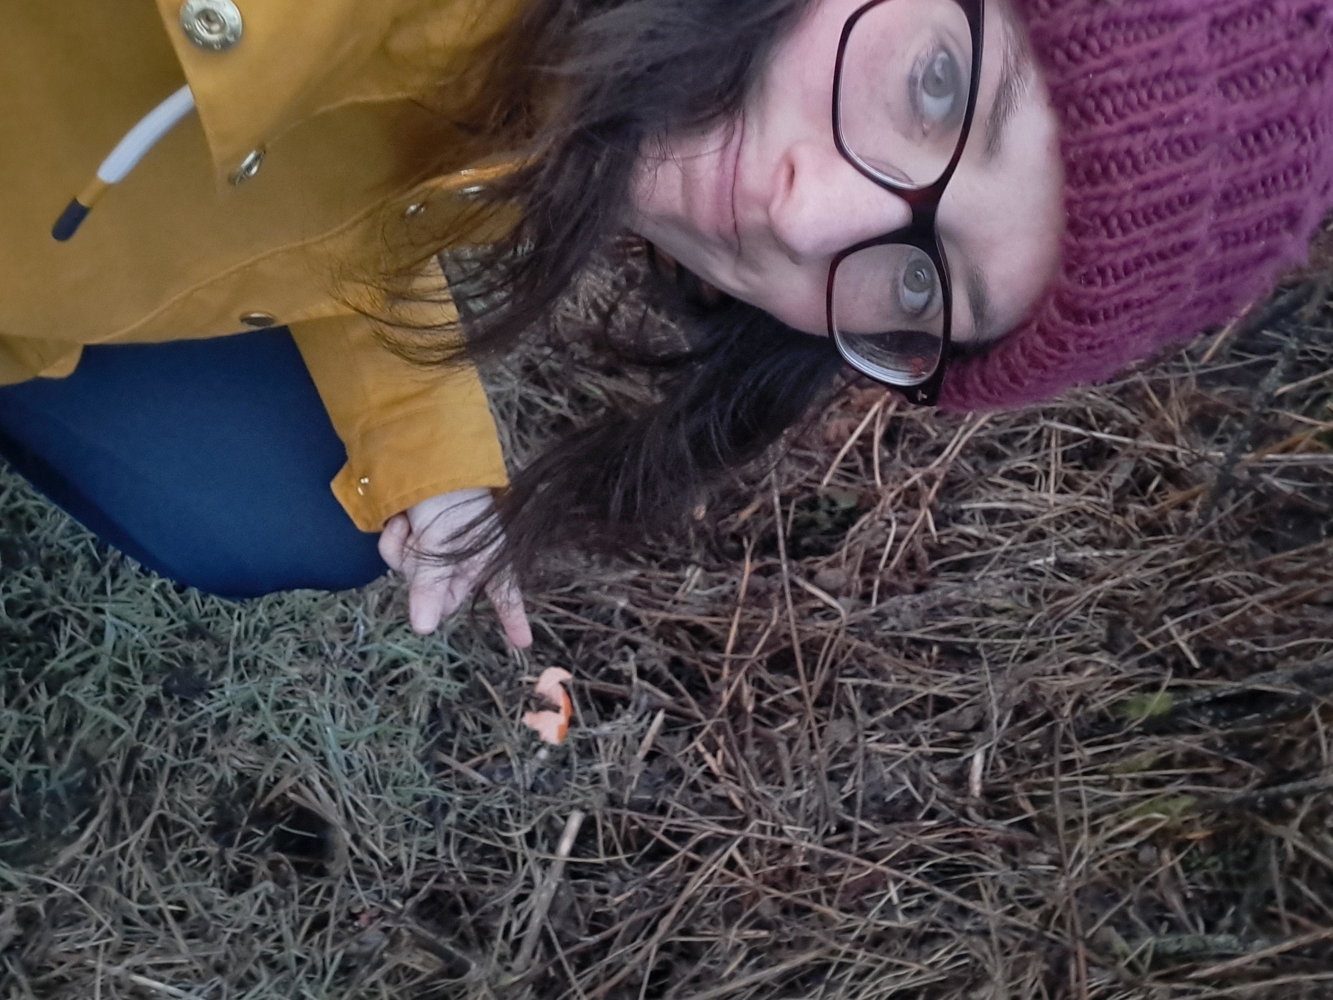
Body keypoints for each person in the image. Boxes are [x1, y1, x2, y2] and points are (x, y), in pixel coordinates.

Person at [0, 0, 1328, 649]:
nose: (815, 224)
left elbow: (341, 198)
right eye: (934, 84)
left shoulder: (569, 102)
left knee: (298, 512)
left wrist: (420, 447)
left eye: (917, 288)